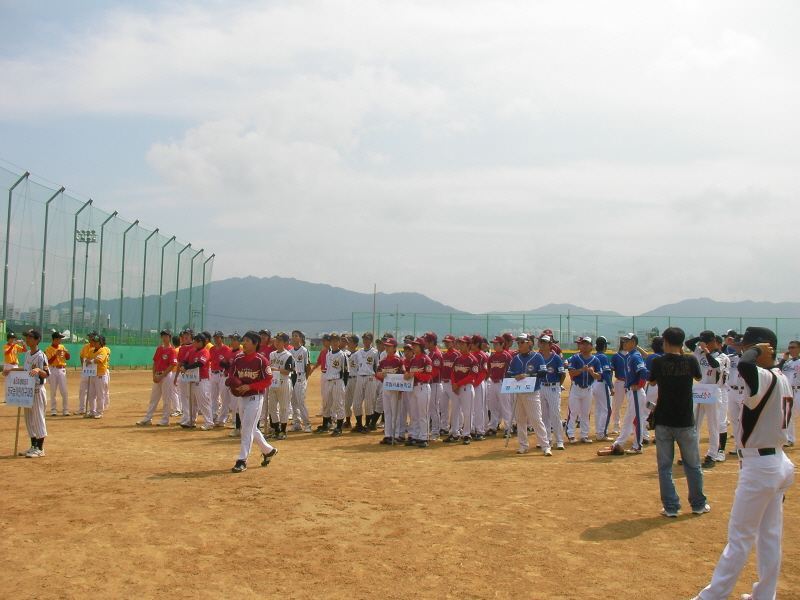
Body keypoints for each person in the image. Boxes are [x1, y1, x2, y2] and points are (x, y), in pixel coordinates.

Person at [688, 327, 795, 600]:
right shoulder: (779, 375)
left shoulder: (762, 375)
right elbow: (746, 362)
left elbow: (747, 364)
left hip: (762, 467)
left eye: (748, 347)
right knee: (769, 535)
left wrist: (758, 349)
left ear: (764, 349)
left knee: (740, 538)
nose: (740, 350)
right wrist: (757, 349)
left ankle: (712, 597)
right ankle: (764, 595)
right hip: (777, 462)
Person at [646, 326, 706, 518]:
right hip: (686, 420)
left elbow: (653, 383)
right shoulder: (690, 360)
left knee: (665, 468)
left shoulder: (657, 361)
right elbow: (698, 377)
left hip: (664, 419)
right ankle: (698, 504)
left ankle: (671, 507)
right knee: (693, 465)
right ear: (682, 343)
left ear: (664, 342)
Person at [226, 330, 278, 472]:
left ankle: (242, 460)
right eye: (244, 340)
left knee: (247, 429)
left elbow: (268, 380)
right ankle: (268, 450)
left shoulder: (261, 360)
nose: (244, 343)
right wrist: (234, 383)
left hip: (255, 397)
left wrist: (250, 386)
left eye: (248, 340)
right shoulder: (238, 359)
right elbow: (232, 374)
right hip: (242, 398)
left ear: (255, 344)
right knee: (251, 428)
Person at [598, 333, 649, 455]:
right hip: (630, 391)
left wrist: (639, 386)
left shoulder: (635, 356)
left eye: (627, 341)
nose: (624, 343)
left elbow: (644, 373)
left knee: (636, 419)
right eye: (624, 341)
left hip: (635, 391)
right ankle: (619, 443)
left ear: (633, 342)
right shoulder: (631, 356)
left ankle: (638, 446)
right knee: (628, 420)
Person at [4, 329, 49, 457]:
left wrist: (38, 369)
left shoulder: (41, 355)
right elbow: (26, 369)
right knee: (29, 419)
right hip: (28, 391)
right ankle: (33, 445)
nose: (27, 339)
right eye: (27, 337)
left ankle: (40, 448)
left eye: (30, 338)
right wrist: (11, 370)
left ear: (37, 340)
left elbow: (46, 373)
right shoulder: (28, 353)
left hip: (37, 389)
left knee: (38, 418)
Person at [507, 334, 551, 456]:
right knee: (520, 420)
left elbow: (543, 372)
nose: (519, 345)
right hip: (518, 392)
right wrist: (514, 376)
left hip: (532, 392)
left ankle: (545, 445)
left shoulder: (537, 357)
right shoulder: (516, 358)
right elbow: (509, 373)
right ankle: (523, 445)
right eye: (518, 342)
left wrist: (529, 375)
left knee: (536, 420)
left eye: (522, 342)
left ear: (529, 343)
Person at [687, 331, 722, 468]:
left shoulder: (722, 356)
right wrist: (700, 340)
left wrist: (706, 349)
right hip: (701, 389)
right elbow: (688, 343)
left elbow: (714, 365)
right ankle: (691, 453)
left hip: (713, 389)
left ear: (714, 341)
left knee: (713, 425)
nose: (703, 344)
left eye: (707, 341)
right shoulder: (699, 352)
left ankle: (712, 454)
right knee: (695, 423)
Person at [565, 336, 603, 444]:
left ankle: (584, 435)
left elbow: (599, 376)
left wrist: (592, 372)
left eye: (587, 344)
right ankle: (571, 435)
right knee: (573, 412)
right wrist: (581, 370)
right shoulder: (576, 358)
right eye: (583, 344)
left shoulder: (595, 360)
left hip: (588, 388)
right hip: (576, 387)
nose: (584, 346)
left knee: (586, 413)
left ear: (591, 346)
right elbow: (571, 373)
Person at [137, 329, 178, 426]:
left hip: (166, 376)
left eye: (166, 336)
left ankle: (165, 420)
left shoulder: (172, 350)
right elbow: (155, 362)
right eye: (163, 336)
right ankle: (148, 419)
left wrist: (161, 376)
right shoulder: (159, 348)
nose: (164, 338)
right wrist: (154, 375)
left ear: (170, 337)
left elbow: (172, 365)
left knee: (166, 398)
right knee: (153, 398)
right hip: (158, 375)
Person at [444, 336, 478, 445]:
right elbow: (453, 372)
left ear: (469, 346)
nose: (461, 345)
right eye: (460, 343)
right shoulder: (458, 358)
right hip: (456, 388)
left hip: (466, 388)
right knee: (455, 411)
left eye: (463, 344)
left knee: (467, 412)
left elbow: (472, 376)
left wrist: (457, 384)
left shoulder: (472, 359)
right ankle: (454, 433)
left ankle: (466, 434)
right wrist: (454, 384)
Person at [178, 333, 214, 430]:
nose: (193, 342)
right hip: (192, 379)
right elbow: (185, 359)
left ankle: (209, 422)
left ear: (200, 342)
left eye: (195, 341)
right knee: (192, 401)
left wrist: (186, 367)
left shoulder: (205, 351)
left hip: (203, 380)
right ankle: (191, 420)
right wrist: (183, 365)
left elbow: (200, 363)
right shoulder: (192, 350)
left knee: (204, 401)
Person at [537, 334, 566, 450]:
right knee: (543, 415)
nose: (542, 344)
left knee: (555, 414)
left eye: (545, 343)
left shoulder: (556, 358)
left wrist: (558, 385)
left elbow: (562, 374)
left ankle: (559, 440)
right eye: (541, 342)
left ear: (550, 345)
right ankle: (547, 439)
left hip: (553, 386)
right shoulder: (538, 357)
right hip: (542, 386)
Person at [374, 337, 405, 444]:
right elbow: (377, 374)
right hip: (385, 388)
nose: (386, 348)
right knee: (387, 412)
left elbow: (403, 376)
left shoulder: (399, 361)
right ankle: (388, 434)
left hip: (395, 389)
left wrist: (401, 391)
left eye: (389, 346)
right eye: (385, 346)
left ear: (395, 348)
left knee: (395, 412)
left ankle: (396, 435)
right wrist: (379, 375)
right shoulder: (383, 361)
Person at [404, 337, 433, 447]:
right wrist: (406, 375)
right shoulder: (413, 360)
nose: (413, 347)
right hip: (413, 388)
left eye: (416, 345)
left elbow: (429, 376)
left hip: (423, 387)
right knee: (414, 414)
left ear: (421, 346)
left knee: (423, 414)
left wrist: (415, 374)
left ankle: (424, 437)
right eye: (413, 345)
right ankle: (414, 436)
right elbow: (408, 372)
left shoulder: (426, 359)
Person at [316, 333, 346, 436]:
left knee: (338, 404)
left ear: (339, 342)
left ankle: (339, 427)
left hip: (337, 380)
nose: (334, 342)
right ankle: (325, 425)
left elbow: (346, 371)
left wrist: (343, 384)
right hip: (328, 380)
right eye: (332, 341)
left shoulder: (342, 354)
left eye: (336, 341)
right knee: (326, 403)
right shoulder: (328, 354)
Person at [267, 332, 294, 440]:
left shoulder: (288, 355)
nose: (277, 342)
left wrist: (276, 369)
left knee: (284, 407)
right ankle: (276, 429)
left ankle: (283, 430)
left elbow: (288, 371)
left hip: (283, 381)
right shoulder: (272, 354)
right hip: (273, 382)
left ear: (285, 343)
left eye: (280, 341)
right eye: (276, 340)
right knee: (272, 407)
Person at [486, 336, 513, 437]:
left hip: (503, 382)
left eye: (497, 343)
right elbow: (488, 369)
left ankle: (507, 428)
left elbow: (511, 371)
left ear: (502, 344)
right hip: (493, 382)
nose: (495, 345)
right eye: (494, 343)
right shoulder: (492, 357)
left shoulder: (506, 356)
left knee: (505, 407)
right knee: (493, 407)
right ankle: (493, 427)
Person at [353, 332, 380, 433]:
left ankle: (368, 425)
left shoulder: (375, 352)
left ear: (371, 341)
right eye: (364, 338)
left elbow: (377, 366)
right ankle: (359, 424)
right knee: (356, 402)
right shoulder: (358, 352)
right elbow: (355, 364)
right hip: (360, 376)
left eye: (368, 339)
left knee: (369, 402)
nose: (365, 340)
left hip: (370, 377)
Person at [289, 330, 312, 433]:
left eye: (296, 336)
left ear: (300, 338)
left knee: (300, 401)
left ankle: (307, 423)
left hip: (300, 375)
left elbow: (308, 365)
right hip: (292, 377)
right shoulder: (290, 352)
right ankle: (296, 423)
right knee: (293, 401)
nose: (294, 337)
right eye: (293, 335)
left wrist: (305, 377)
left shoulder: (304, 351)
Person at [592, 336, 614, 441]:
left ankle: (598, 431)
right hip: (602, 383)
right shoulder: (603, 357)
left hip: (594, 384)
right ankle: (602, 433)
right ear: (604, 346)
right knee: (607, 409)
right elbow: (606, 373)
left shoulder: (593, 356)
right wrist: (611, 386)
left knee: (598, 409)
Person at [777, 340, 798, 447]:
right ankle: (790, 438)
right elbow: (776, 370)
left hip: (799, 390)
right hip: (788, 391)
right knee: (787, 416)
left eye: (793, 347)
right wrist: (783, 360)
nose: (790, 350)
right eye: (789, 347)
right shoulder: (787, 363)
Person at [84, 334, 111, 419]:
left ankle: (99, 411)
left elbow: (98, 360)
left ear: (100, 343)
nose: (94, 343)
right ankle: (92, 411)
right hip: (92, 375)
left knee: (100, 394)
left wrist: (90, 361)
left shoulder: (102, 351)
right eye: (93, 342)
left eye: (96, 342)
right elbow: (85, 359)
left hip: (100, 375)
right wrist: (88, 360)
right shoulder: (91, 350)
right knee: (91, 394)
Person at [209, 331, 232, 426]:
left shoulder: (226, 349)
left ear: (222, 339)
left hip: (222, 373)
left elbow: (227, 361)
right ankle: (214, 415)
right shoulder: (212, 349)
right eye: (215, 337)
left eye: (218, 337)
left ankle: (224, 416)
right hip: (213, 372)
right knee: (213, 396)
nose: (216, 339)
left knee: (224, 396)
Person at [45, 331, 70, 416]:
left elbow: (68, 358)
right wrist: (55, 355)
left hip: (62, 369)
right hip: (53, 369)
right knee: (53, 391)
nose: (61, 340)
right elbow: (48, 361)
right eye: (59, 338)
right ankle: (53, 409)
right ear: (55, 339)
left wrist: (66, 352)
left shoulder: (62, 346)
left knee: (64, 391)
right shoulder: (48, 349)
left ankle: (66, 409)